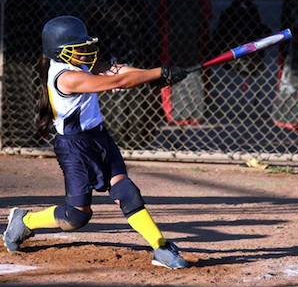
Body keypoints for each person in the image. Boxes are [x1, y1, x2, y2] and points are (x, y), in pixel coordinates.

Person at [2, 16, 189, 270]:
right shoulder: (66, 77)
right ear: (61, 53)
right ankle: (25, 221)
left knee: (126, 191)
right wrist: (156, 74)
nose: (86, 52)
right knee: (77, 215)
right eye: (78, 48)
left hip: (99, 137)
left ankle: (161, 247)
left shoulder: (81, 65)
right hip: (74, 147)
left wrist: (155, 75)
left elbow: (117, 70)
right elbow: (117, 81)